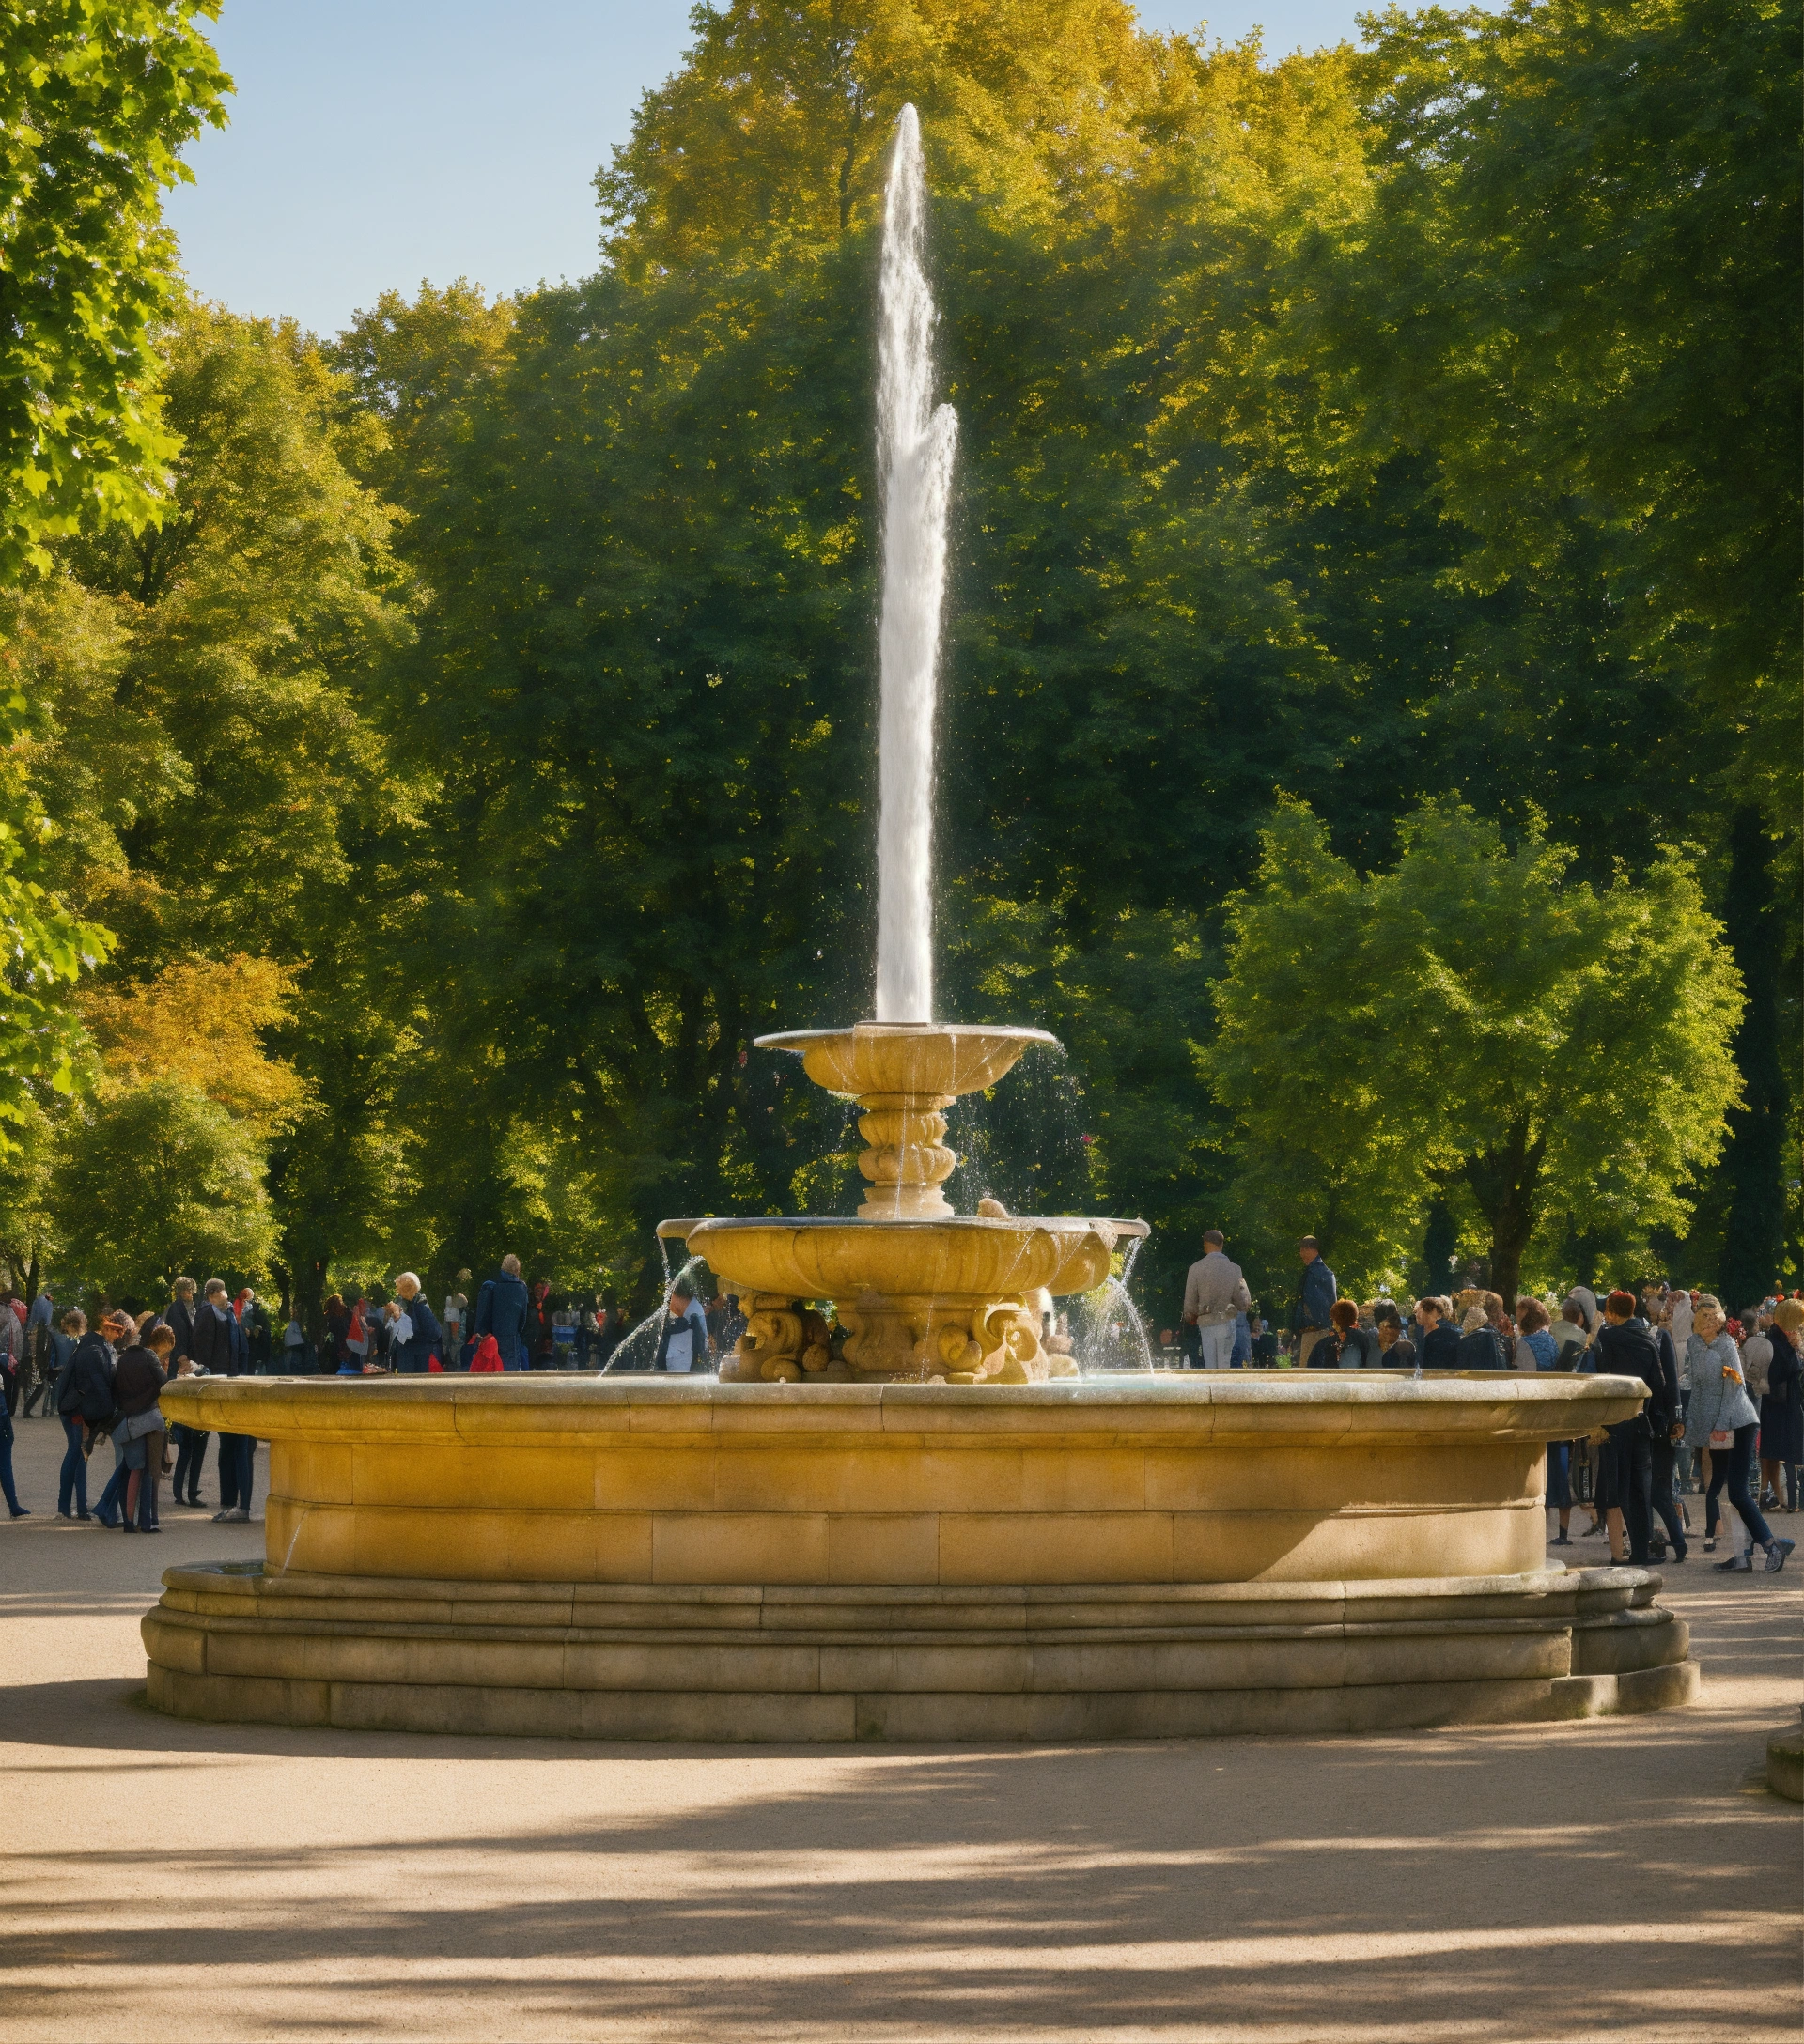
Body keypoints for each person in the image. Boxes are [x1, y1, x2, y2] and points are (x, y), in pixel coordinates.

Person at [1683, 1294, 1791, 1572]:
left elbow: (1735, 1387)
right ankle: (1744, 1555)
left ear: (1719, 1320)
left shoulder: (1727, 1345)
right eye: (1701, 1317)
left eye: (1711, 1317)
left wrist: (1719, 1425)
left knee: (1738, 1491)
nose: (1706, 1323)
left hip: (1738, 1421)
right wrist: (1698, 1427)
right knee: (1724, 1489)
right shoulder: (1694, 1345)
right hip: (1716, 1426)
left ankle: (1770, 1545)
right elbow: (1698, 1387)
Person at [193, 1278, 253, 1521]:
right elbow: (203, 1347)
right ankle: (231, 1498)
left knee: (231, 1443)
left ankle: (231, 1497)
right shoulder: (208, 1313)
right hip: (221, 1381)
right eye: (225, 1290)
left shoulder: (224, 1312)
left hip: (231, 1379)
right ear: (216, 1293)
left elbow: (237, 1345)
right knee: (231, 1442)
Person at [111, 1327, 170, 1534]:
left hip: (129, 1421)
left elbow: (115, 1392)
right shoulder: (149, 1356)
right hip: (151, 1419)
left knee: (132, 1470)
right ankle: (149, 1521)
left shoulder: (122, 1361)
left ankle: (129, 1521)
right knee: (151, 1471)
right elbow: (164, 1383)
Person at [1182, 1231, 1253, 1371]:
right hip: (1226, 1322)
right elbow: (1243, 1303)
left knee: (1210, 1365)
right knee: (1224, 1364)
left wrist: (1190, 1316)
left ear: (1205, 1244)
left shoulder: (1195, 1269)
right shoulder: (1235, 1269)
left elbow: (1190, 1303)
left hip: (1206, 1322)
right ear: (1221, 1244)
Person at [1763, 1300, 1802, 1513]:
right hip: (1781, 1402)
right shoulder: (1778, 1341)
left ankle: (1783, 1498)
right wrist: (1795, 1351)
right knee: (1787, 1450)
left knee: (1783, 1451)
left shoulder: (1779, 1338)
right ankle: (1789, 1500)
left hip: (1782, 1401)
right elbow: (1786, 1368)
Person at [474, 1254, 531, 1370]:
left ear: (502, 1268)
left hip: (491, 1338)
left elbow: (483, 1315)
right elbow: (523, 1320)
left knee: (489, 1374)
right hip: (512, 1339)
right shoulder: (521, 1289)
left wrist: (481, 1333)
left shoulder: (490, 1286)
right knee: (509, 1376)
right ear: (517, 1270)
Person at [1286, 1238, 1337, 1367]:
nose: (1300, 1254)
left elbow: (1331, 1305)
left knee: (1309, 1372)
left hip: (1317, 1332)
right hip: (1308, 1332)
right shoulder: (1311, 1272)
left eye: (1302, 1250)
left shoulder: (1324, 1274)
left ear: (1310, 1249)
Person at [386, 1272, 443, 1374]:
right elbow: (435, 1333)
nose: (398, 1290)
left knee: (408, 1386)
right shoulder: (422, 1302)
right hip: (422, 1352)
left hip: (410, 1355)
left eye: (399, 1287)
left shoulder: (407, 1305)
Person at [654, 1281, 710, 1374]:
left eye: (672, 1296)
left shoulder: (693, 1314)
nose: (670, 1301)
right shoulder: (694, 1307)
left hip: (680, 1360)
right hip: (681, 1357)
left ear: (679, 1297)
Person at [166, 1277, 197, 1364]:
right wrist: (181, 1354)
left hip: (191, 1352)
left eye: (191, 1290)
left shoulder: (191, 1305)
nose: (190, 1293)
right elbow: (178, 1332)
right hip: (182, 1355)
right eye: (187, 1290)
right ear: (180, 1291)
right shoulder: (176, 1307)